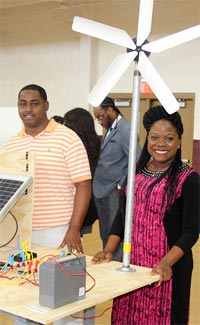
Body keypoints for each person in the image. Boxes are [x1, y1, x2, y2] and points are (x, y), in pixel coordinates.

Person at [92, 105, 200, 325]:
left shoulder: (188, 179)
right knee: (128, 316)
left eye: (169, 138)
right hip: (133, 265)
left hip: (168, 268)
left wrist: (166, 263)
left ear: (179, 141)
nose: (161, 144)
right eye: (154, 137)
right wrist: (109, 250)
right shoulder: (135, 174)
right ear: (147, 139)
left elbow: (191, 232)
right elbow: (122, 218)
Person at [4, 84, 91, 253]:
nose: (28, 109)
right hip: (19, 230)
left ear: (46, 105)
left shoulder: (68, 138)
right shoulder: (11, 144)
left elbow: (83, 185)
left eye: (34, 103)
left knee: (56, 279)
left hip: (57, 231)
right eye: (23, 104)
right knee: (21, 279)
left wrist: (74, 227)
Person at [93, 96, 141, 260]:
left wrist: (122, 185)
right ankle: (107, 260)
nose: (99, 121)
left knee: (115, 234)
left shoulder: (125, 129)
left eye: (101, 116)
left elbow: (136, 160)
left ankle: (115, 265)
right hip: (101, 189)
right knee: (105, 232)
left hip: (114, 190)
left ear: (111, 110)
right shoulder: (111, 128)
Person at [63, 107, 101, 235]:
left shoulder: (74, 151)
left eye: (66, 123)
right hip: (91, 207)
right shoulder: (95, 148)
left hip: (75, 210)